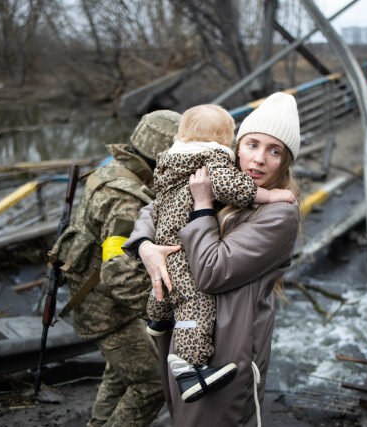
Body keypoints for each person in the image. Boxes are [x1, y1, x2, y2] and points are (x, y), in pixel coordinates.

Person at [122, 92, 301, 426]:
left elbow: (212, 271)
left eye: (273, 151)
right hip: (186, 334)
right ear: (235, 146)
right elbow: (157, 206)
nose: (259, 159)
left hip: (229, 351)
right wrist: (145, 245)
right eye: (252, 145)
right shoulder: (222, 178)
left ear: (285, 162)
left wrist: (203, 206)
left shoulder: (280, 214)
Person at [48, 110, 181, 427]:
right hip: (107, 308)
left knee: (123, 371)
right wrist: (164, 313)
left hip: (97, 298)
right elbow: (118, 275)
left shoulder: (114, 171)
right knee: (152, 386)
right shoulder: (126, 198)